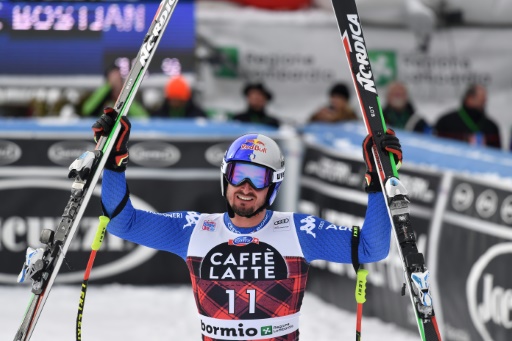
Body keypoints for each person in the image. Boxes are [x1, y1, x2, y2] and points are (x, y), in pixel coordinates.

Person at [92, 107, 402, 340]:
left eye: (259, 178)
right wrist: (114, 162)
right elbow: (123, 224)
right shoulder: (195, 230)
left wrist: (377, 184)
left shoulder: (297, 231)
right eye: (239, 175)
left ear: (274, 186)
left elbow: (371, 249)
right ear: (225, 178)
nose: (246, 187)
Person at [434, 83, 501, 149]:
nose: (485, 101)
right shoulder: (446, 122)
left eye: (485, 98)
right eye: (481, 98)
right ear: (469, 98)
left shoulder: (491, 127)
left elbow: (498, 156)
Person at [80, 65, 149, 118]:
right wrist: (108, 87)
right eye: (113, 79)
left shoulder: (128, 98)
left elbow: (143, 117)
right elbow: (86, 110)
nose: (116, 82)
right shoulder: (102, 98)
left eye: (118, 79)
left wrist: (123, 94)